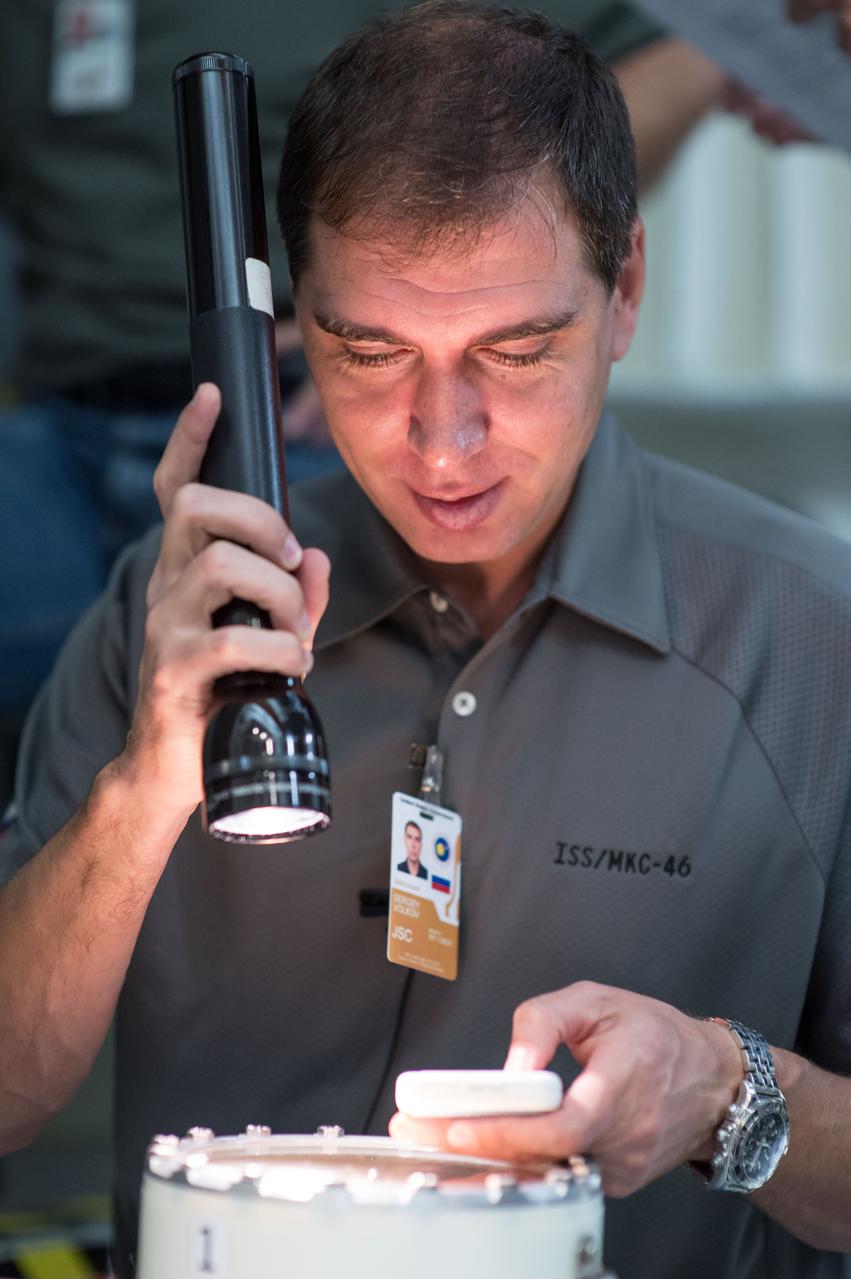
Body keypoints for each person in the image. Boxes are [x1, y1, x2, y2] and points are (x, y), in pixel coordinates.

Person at [1, 5, 849, 1278]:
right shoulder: (167, 613)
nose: (442, 442)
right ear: (292, 319)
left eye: (514, 351)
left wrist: (728, 1092)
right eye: (369, 351)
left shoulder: (804, 642)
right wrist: (141, 791)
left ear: (623, 288)